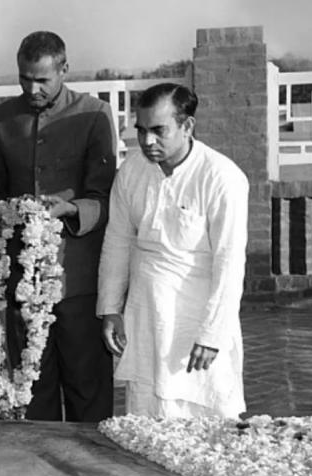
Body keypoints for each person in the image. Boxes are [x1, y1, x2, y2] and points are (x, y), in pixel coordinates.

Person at [0, 31, 116, 422]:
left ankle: (89, 474)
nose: (32, 88)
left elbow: (105, 199)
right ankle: (39, 475)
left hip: (78, 278)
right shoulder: (2, 117)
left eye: (42, 79)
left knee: (88, 389)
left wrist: (69, 209)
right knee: (33, 387)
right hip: (23, 279)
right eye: (24, 78)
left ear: (64, 69)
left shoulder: (93, 113)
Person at [97, 83, 248, 419]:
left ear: (187, 125)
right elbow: (117, 241)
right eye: (141, 131)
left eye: (158, 130)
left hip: (195, 319)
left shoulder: (221, 177)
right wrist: (110, 308)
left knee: (206, 420)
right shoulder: (131, 172)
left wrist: (212, 334)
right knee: (147, 419)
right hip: (145, 314)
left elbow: (230, 261)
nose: (148, 141)